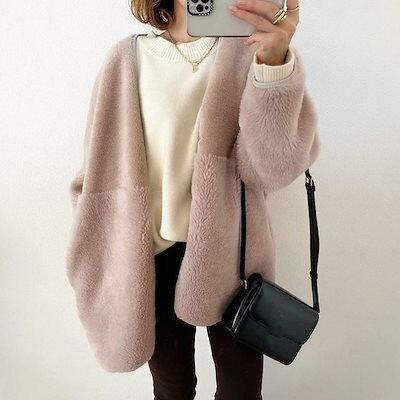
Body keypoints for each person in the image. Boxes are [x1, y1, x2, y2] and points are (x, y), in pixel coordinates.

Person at [66, 1, 319, 399]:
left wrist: (274, 64)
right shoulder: (125, 59)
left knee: (241, 392)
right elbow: (97, 169)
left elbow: (271, 170)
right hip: (146, 258)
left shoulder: (250, 51)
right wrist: (95, 240)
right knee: (172, 389)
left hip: (231, 254)